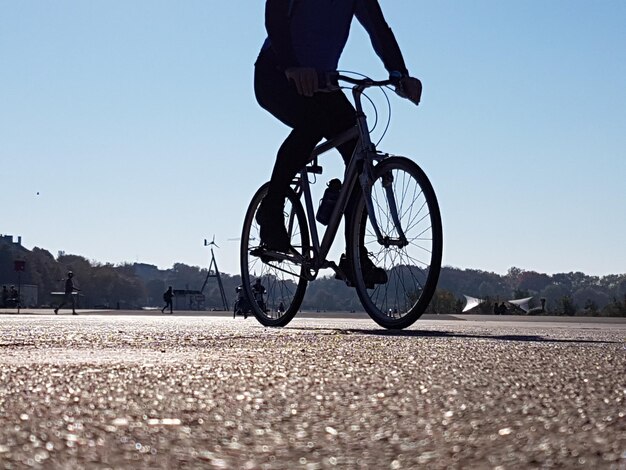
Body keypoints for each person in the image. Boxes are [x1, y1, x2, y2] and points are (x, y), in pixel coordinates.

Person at [254, 0, 422, 287]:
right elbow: (276, 14)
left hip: (323, 83)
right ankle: (271, 212)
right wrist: (292, 66)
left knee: (359, 150)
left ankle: (355, 257)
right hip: (277, 74)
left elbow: (378, 29)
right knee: (312, 125)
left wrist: (399, 74)